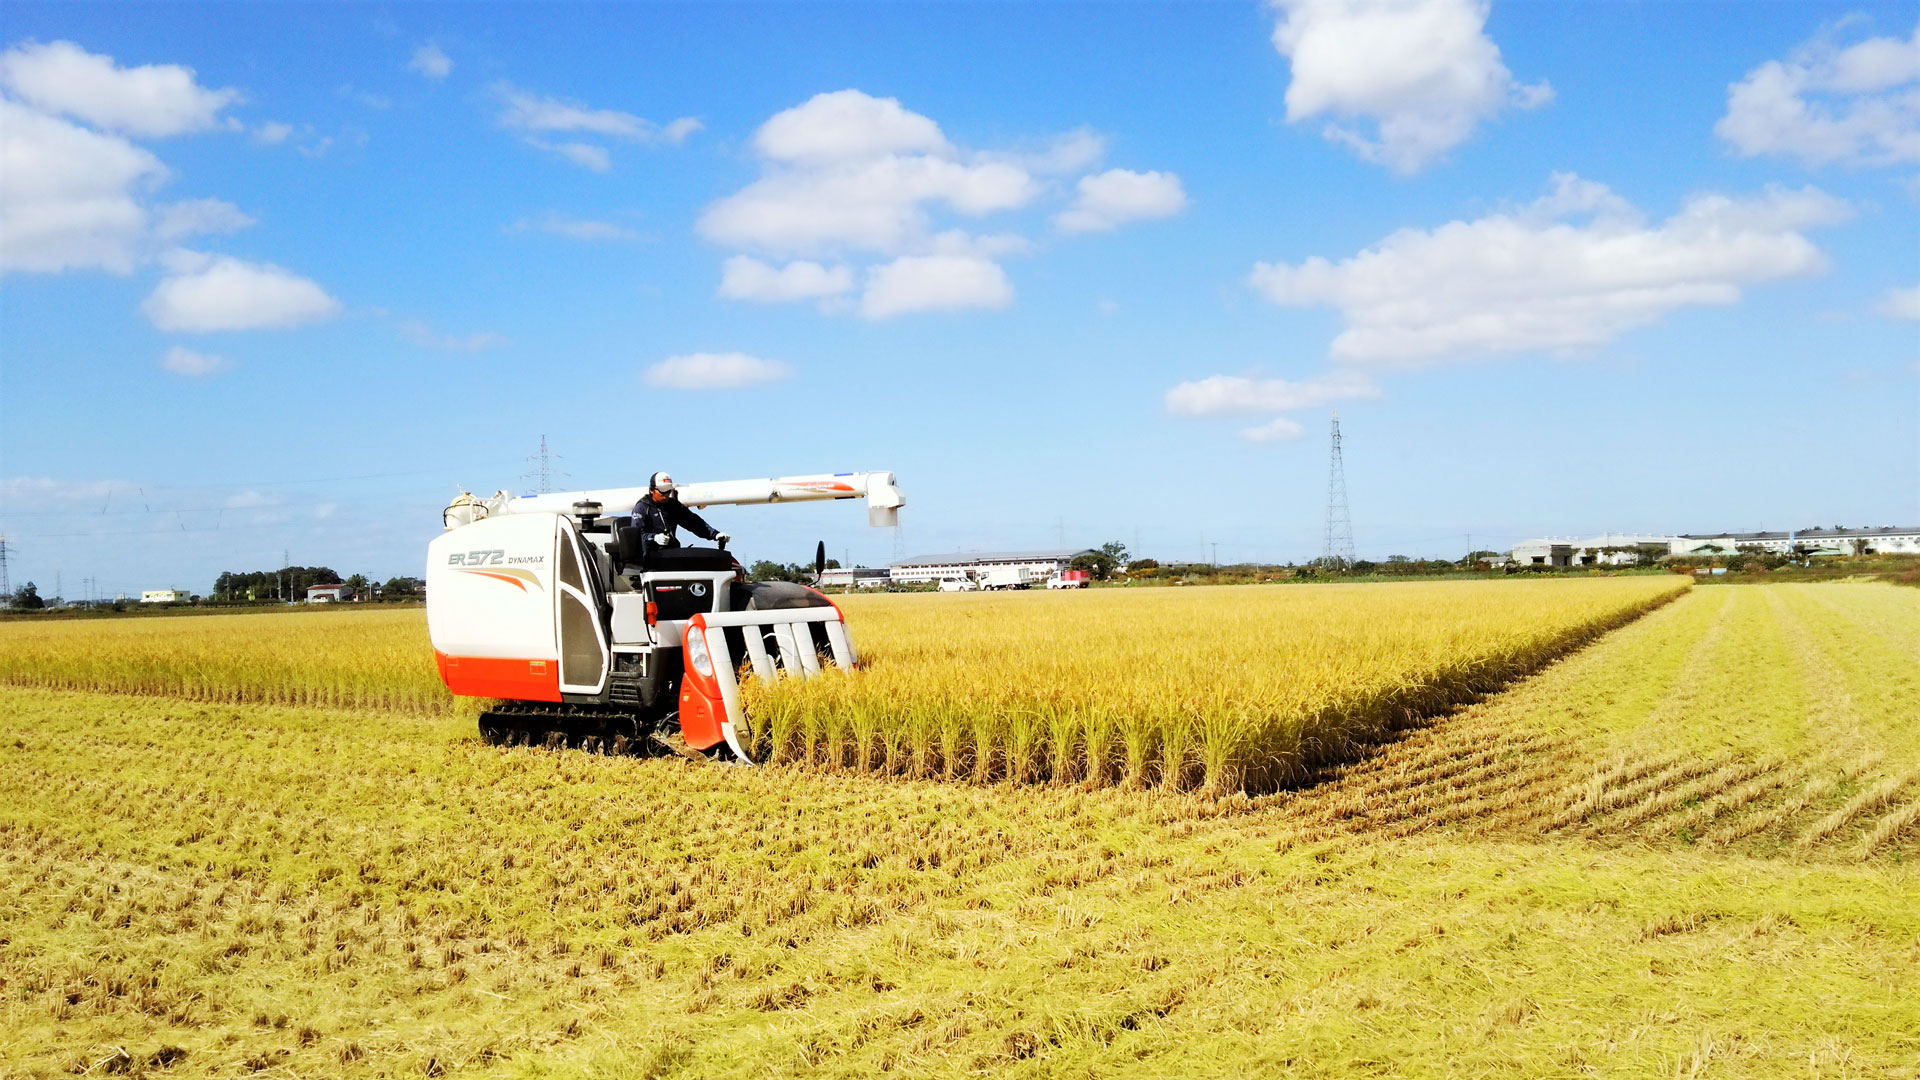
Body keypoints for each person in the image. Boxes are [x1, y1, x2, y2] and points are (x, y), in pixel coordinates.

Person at [630, 471, 729, 552]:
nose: (666, 495)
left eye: (668, 491)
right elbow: (636, 536)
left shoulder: (673, 506)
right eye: (662, 491)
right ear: (651, 490)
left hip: (671, 553)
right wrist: (654, 538)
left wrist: (714, 534)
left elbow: (693, 522)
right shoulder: (642, 508)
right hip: (651, 557)